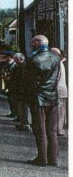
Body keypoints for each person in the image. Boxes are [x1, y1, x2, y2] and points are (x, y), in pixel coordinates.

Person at [26, 35, 60, 167]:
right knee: (52, 130)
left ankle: (42, 158)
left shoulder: (33, 60)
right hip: (52, 96)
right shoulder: (56, 58)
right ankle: (54, 159)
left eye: (32, 42)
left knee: (40, 129)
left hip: (38, 98)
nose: (31, 45)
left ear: (37, 43)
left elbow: (29, 81)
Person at [10, 52, 31, 131]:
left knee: (23, 107)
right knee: (21, 107)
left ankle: (25, 124)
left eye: (15, 60)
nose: (14, 61)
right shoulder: (20, 66)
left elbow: (22, 79)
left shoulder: (24, 67)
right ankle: (23, 123)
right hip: (20, 90)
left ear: (20, 59)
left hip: (23, 91)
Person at [50, 48, 68, 136]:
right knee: (60, 111)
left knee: (59, 111)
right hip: (60, 90)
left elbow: (56, 78)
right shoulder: (59, 63)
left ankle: (59, 129)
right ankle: (59, 129)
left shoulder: (57, 64)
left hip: (58, 90)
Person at [3, 52, 18, 118]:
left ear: (10, 57)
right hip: (8, 84)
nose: (6, 58)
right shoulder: (6, 64)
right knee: (9, 99)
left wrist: (10, 77)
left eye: (7, 57)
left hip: (13, 85)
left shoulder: (15, 64)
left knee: (14, 99)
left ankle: (15, 113)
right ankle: (12, 112)